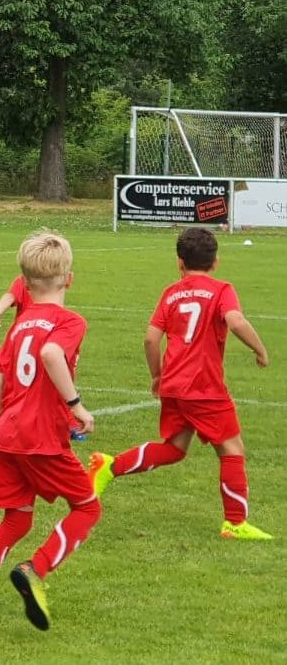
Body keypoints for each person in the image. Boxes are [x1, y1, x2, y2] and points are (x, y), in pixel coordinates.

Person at [0, 229, 99, 636]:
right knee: (87, 508)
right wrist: (76, 405)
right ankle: (35, 568)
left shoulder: (20, 323)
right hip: (40, 436)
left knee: (17, 522)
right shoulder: (69, 320)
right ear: (70, 278)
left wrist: (6, 414)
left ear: (24, 284)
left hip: (7, 432)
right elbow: (50, 353)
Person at [89, 227, 272, 540]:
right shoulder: (222, 289)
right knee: (232, 448)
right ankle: (235, 523)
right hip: (205, 388)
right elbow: (236, 320)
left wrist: (157, 375)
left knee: (174, 449)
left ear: (179, 263)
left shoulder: (171, 293)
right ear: (216, 262)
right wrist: (260, 349)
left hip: (173, 385)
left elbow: (150, 338)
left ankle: (109, 466)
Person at [0, 274, 86, 441]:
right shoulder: (69, 315)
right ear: (68, 279)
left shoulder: (30, 275)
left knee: (1, 374)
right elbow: (11, 295)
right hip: (46, 340)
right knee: (52, 380)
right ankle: (68, 423)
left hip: (24, 339)